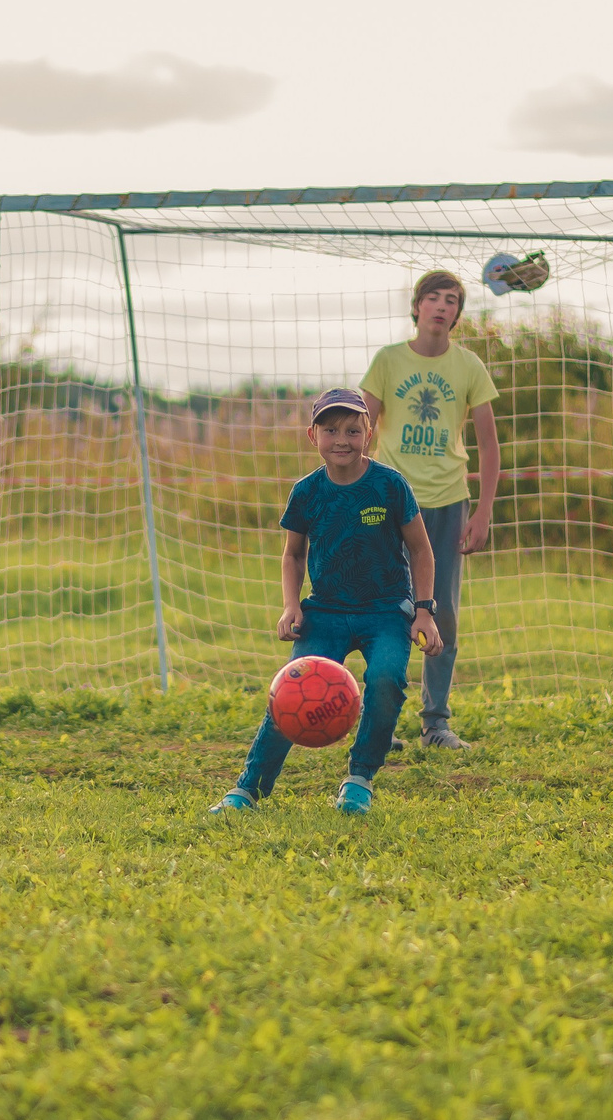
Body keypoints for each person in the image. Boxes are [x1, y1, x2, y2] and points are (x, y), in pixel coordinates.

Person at [213, 388, 443, 816]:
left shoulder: (390, 485)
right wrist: (291, 605)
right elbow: (293, 555)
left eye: (353, 430)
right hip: (327, 611)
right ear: (312, 435)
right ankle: (248, 789)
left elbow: (422, 551)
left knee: (386, 678)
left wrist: (425, 611)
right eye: (331, 430)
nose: (342, 439)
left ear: (368, 434)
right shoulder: (306, 492)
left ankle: (360, 778)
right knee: (292, 690)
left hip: (387, 610)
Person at [361, 269, 500, 749]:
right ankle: (378, 722)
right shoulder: (387, 361)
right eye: (434, 298)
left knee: (441, 611)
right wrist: (357, 494)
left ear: (457, 314)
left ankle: (435, 723)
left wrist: (481, 512)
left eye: (452, 301)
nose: (442, 306)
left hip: (447, 502)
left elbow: (488, 445)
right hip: (392, 500)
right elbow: (360, 429)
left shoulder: (469, 367)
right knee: (385, 609)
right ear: (417, 306)